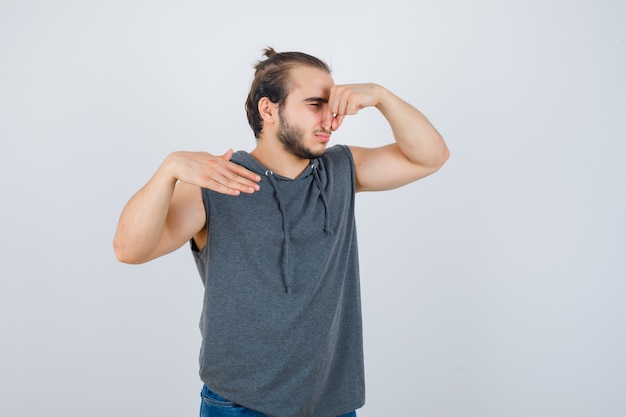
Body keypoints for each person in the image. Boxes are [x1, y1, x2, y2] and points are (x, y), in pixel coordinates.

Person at [113, 47, 449, 417]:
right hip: (240, 403)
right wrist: (169, 169)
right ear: (268, 109)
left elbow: (431, 156)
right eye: (316, 104)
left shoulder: (340, 169)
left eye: (333, 106)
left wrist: (380, 95)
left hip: (332, 403)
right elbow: (129, 250)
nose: (331, 121)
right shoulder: (219, 180)